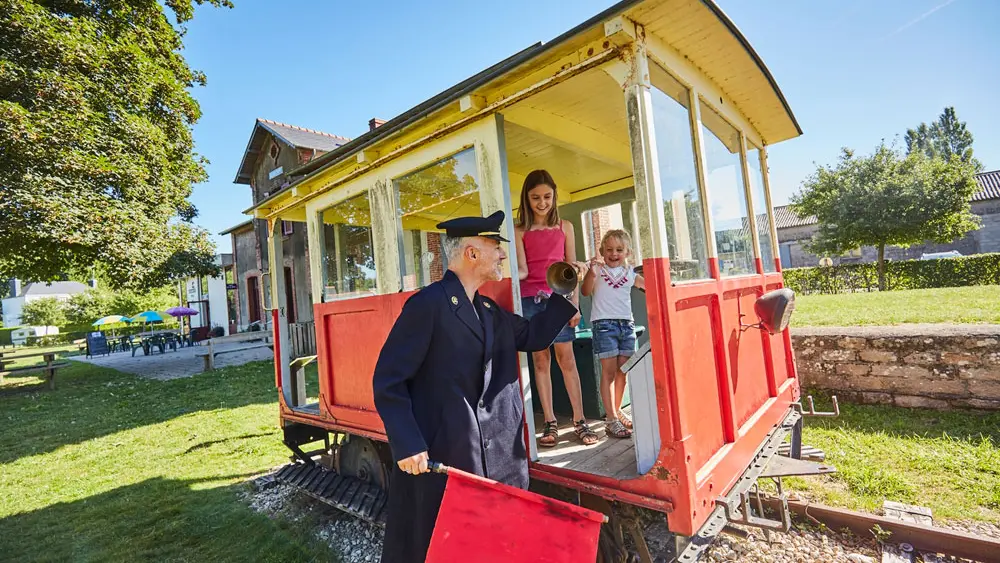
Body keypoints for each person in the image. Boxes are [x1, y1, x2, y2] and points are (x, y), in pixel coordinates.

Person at [372, 210, 578, 563]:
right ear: (471, 253)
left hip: (499, 458)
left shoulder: (487, 309)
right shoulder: (427, 306)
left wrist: (567, 288)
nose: (501, 254)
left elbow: (533, 336)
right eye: (495, 246)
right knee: (449, 548)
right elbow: (389, 381)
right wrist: (408, 444)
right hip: (451, 455)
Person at [513, 169, 599, 448]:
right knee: (540, 361)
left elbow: (572, 269)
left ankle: (579, 420)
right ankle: (549, 422)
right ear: (526, 198)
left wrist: (574, 305)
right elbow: (522, 272)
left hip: (560, 300)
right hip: (530, 301)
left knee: (567, 360)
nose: (542, 203)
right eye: (535, 197)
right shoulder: (519, 231)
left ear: (554, 197)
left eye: (547, 197)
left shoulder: (566, 227)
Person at [580, 229, 645, 439]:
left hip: (627, 326)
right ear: (602, 251)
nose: (614, 253)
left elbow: (651, 286)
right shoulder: (598, 271)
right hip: (604, 325)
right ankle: (611, 419)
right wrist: (590, 272)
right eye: (609, 250)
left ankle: (616, 413)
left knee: (622, 371)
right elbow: (585, 291)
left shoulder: (630, 274)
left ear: (627, 252)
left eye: (619, 250)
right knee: (608, 372)